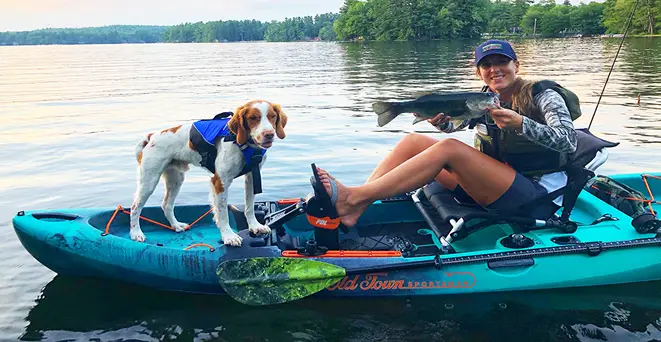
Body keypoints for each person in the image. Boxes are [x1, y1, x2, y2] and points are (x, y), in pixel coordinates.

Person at [315, 39, 581, 228]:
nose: (495, 69)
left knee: (450, 149)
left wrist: (521, 123)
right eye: (486, 65)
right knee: (413, 141)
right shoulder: (485, 99)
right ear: (478, 71)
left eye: (502, 62)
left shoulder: (543, 95)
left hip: (538, 196)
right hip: (496, 185)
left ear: (516, 65)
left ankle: (353, 199)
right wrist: (443, 124)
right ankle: (358, 204)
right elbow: (458, 127)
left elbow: (569, 142)